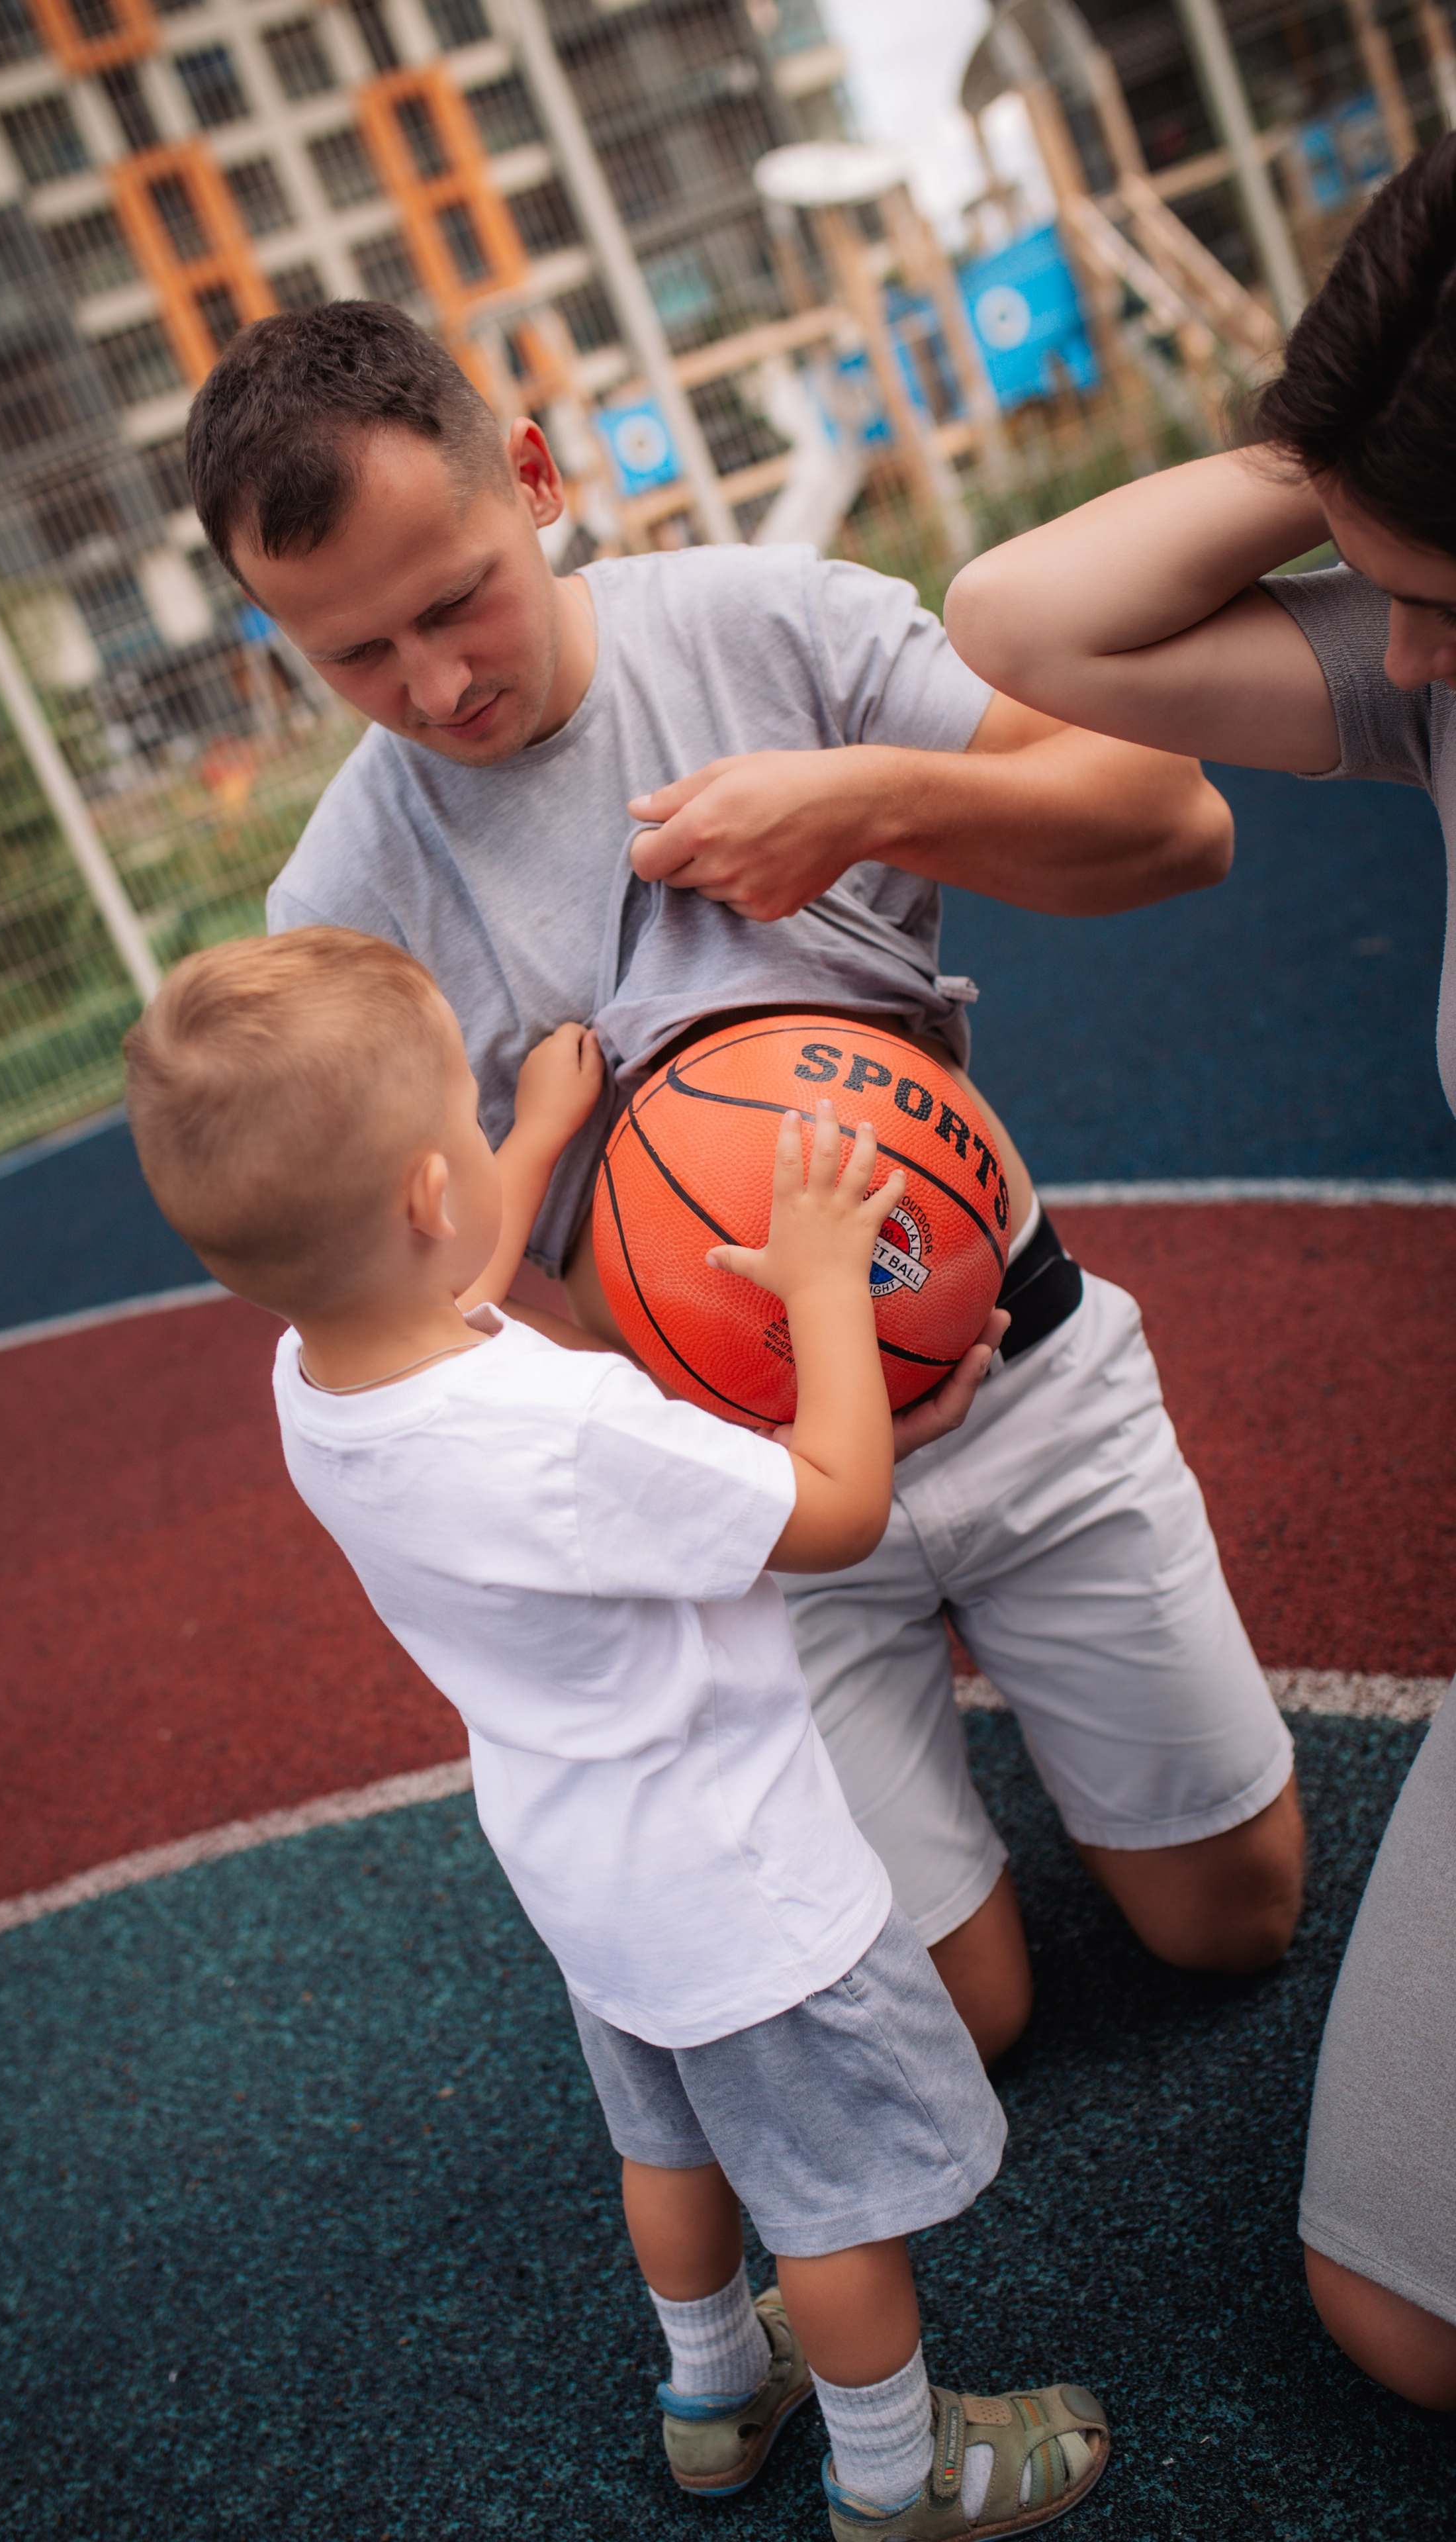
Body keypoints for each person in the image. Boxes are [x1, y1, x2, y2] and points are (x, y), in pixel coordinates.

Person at [183, 302, 1306, 2073]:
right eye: (355, 655)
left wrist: (866, 806)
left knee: (1234, 1923)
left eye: (458, 593)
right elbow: (400, 1314)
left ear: (536, 477)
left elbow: (1178, 827)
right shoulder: (344, 904)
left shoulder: (767, 620)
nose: (435, 683)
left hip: (1012, 1362)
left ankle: (1040, 1706)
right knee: (966, 2021)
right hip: (745, 1496)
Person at [120, 922, 1111, 2539]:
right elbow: (836, 1506)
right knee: (829, 2204)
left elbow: (436, 1271)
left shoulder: (316, 1378)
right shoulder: (569, 1429)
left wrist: (532, 1129)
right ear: (431, 1202)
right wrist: (820, 1299)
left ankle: (712, 2394)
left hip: (591, 1882)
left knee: (671, 2149)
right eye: (462, 1116)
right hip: (745, 1881)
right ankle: (895, 2470)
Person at [942, 136, 1456, 2411]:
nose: (1404, 641)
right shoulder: (1444, 682)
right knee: (1400, 2311)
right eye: (1384, 581)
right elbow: (1029, 622)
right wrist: (1331, 453)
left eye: (1438, 587)